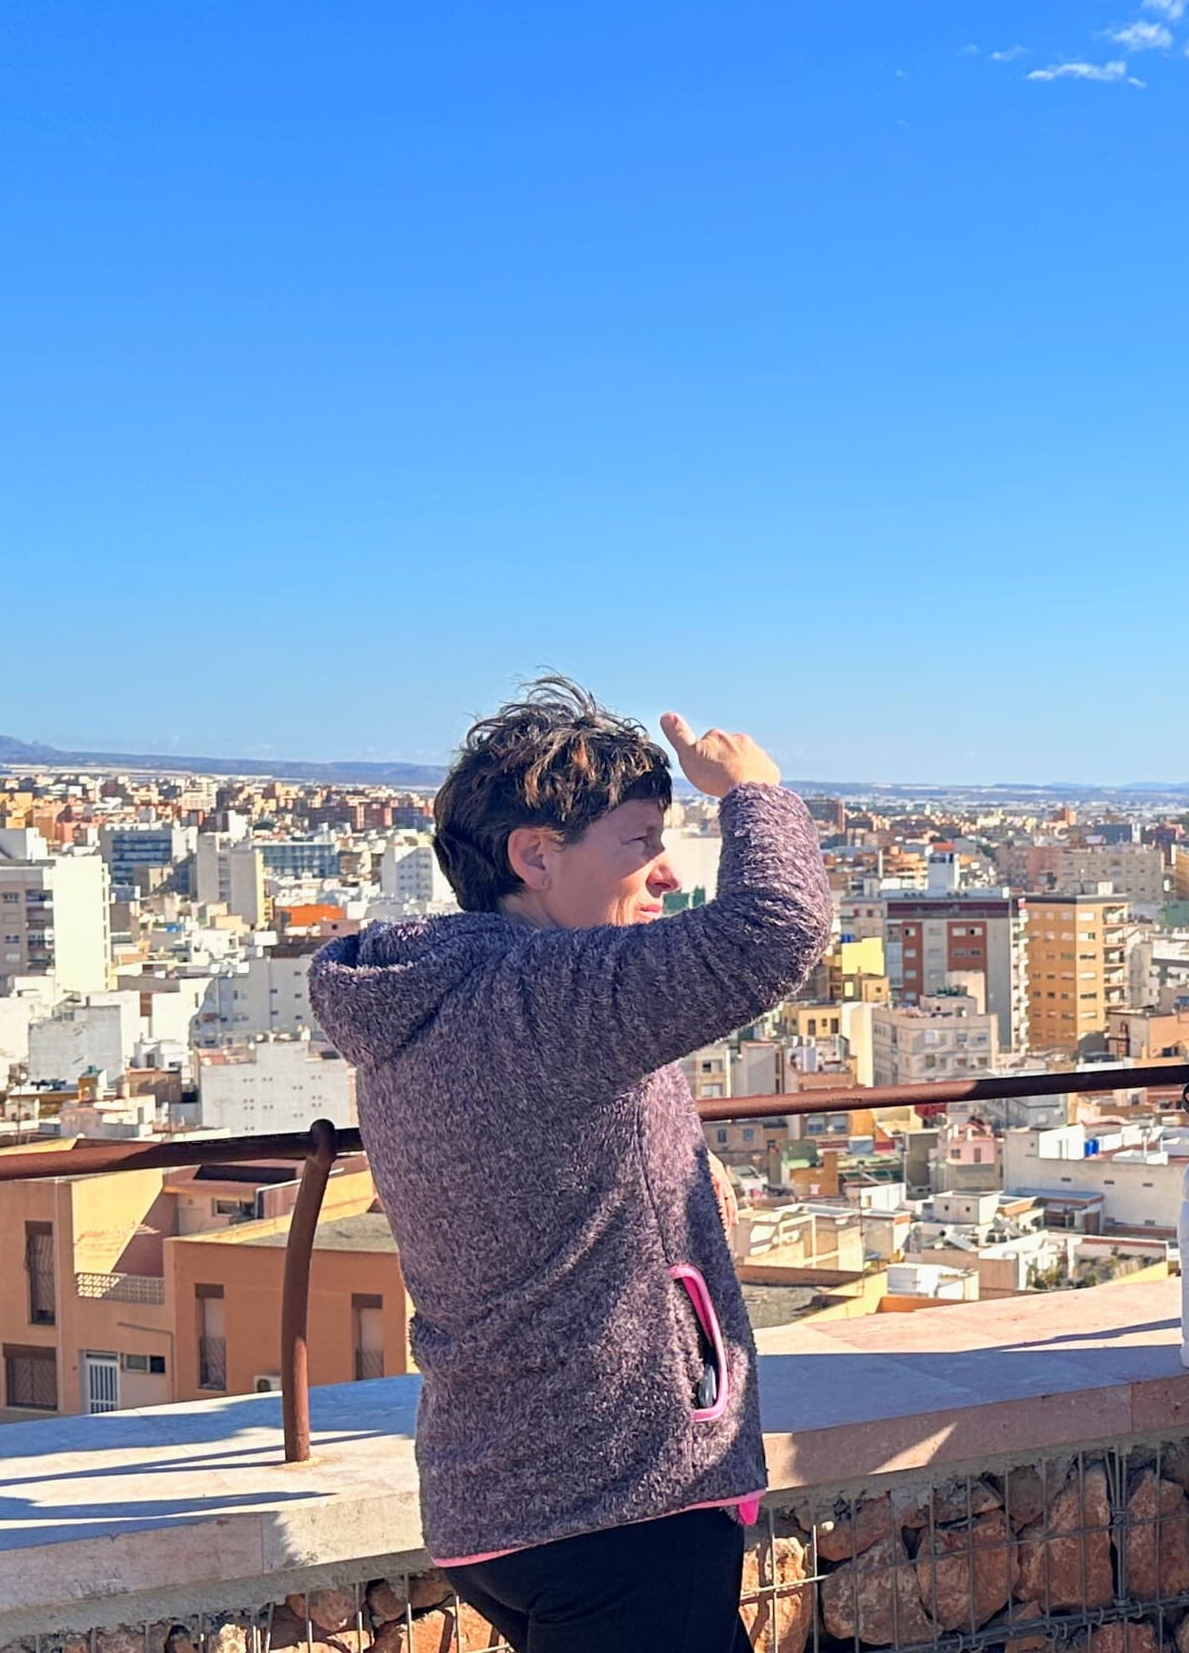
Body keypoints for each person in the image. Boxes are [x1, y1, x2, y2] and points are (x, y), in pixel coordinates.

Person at [308, 679, 831, 1653]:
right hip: (622, 1496)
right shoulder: (545, 996)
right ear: (535, 857)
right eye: (640, 842)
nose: (667, 874)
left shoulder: (428, 996)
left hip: (497, 1495)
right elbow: (779, 928)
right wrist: (751, 789)